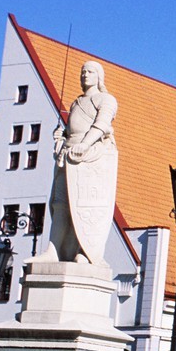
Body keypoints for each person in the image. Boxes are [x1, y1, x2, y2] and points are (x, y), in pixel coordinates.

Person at [38, 60, 119, 265]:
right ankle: (53, 250)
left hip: (91, 155)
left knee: (86, 206)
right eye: (83, 72)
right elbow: (70, 130)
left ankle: (86, 251)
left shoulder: (106, 100)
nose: (85, 75)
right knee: (60, 204)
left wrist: (84, 144)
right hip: (69, 155)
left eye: (90, 72)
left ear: (99, 76)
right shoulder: (76, 102)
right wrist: (61, 137)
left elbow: (102, 124)